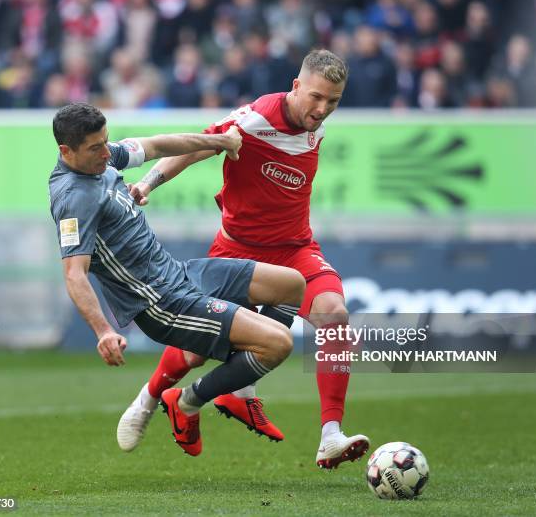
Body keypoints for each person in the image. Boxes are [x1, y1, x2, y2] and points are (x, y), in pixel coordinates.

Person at [123, 49, 370, 469]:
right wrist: (148, 182)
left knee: (334, 314)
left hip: (295, 249)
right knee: (197, 349)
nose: (322, 109)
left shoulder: (315, 124)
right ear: (295, 86)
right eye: (315, 97)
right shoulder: (256, 118)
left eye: (333, 101)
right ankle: (147, 401)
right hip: (236, 248)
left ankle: (330, 435)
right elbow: (198, 146)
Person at [49, 103, 306, 456]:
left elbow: (158, 145)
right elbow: (74, 273)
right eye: (96, 148)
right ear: (67, 151)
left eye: (106, 142)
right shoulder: (73, 199)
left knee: (292, 284)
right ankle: (186, 402)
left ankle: (239, 388)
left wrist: (219, 141)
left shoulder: (103, 159)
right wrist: (104, 331)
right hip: (161, 303)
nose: (107, 153)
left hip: (180, 273)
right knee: (278, 345)